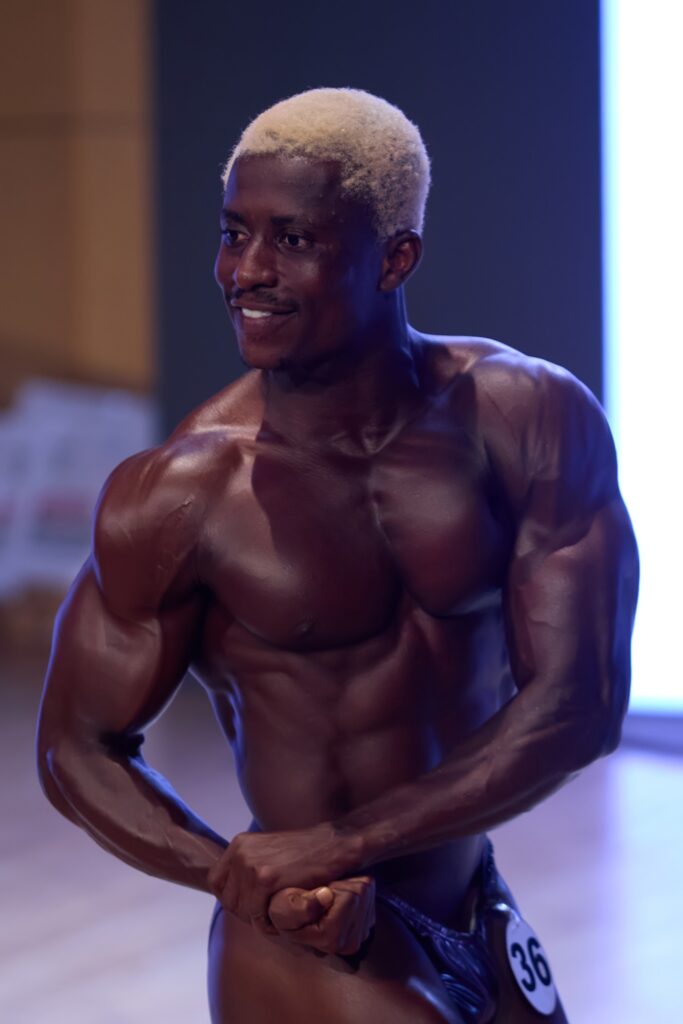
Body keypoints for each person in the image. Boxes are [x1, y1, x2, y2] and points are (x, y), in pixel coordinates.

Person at [37, 88, 638, 1023]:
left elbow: (579, 704)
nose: (248, 271)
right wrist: (243, 880)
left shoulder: (525, 419)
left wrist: (343, 840)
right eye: (233, 234)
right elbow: (75, 746)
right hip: (306, 941)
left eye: (293, 239)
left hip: (473, 904)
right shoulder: (186, 493)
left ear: (395, 259)